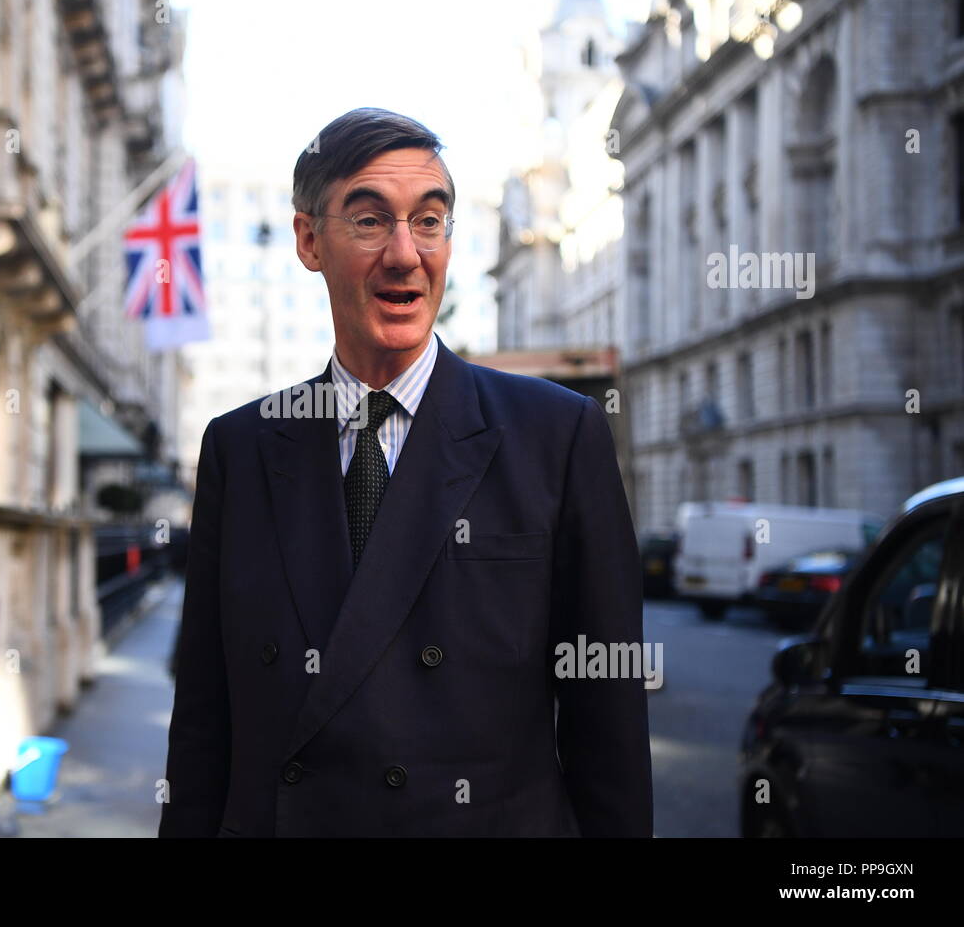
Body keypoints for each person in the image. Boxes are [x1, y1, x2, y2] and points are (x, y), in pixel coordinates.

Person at [159, 108, 652, 837]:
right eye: (368, 221)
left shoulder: (557, 435)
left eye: (429, 221)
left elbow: (607, 727)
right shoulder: (241, 448)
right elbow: (203, 723)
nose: (404, 253)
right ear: (308, 240)